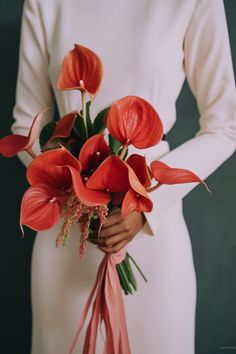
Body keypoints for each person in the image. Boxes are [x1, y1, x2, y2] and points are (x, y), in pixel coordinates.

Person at [11, 0, 236, 353]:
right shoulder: (44, 3)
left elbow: (226, 124)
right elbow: (27, 125)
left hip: (152, 234)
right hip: (69, 232)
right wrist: (77, 189)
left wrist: (147, 204)